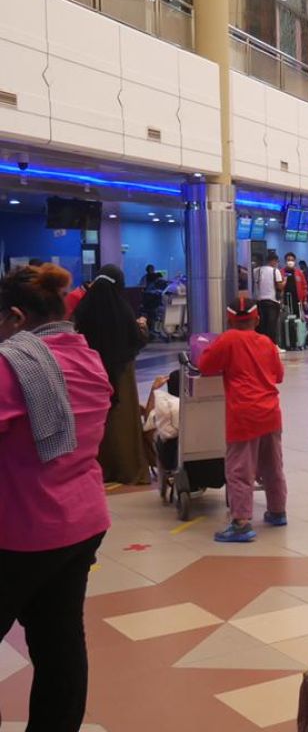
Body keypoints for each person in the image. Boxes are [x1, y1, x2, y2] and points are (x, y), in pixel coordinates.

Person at [0, 265, 112, 732]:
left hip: (23, 531)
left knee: (58, 640)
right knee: (60, 643)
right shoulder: (87, 356)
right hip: (81, 524)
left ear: (14, 317)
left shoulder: (12, 365)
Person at [197, 298, 287, 543]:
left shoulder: (228, 340)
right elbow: (278, 376)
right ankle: (277, 511)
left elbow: (205, 366)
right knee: (272, 466)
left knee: (239, 470)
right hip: (270, 412)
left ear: (229, 320)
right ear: (257, 319)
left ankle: (240, 523)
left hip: (243, 414)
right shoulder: (267, 342)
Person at [74, 265, 151, 485]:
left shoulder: (85, 308)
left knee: (97, 420)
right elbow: (136, 339)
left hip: (91, 372)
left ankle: (99, 467)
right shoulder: (123, 309)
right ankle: (126, 467)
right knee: (122, 420)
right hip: (121, 372)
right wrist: (142, 327)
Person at [251, 252, 284, 344]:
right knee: (272, 325)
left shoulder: (256, 270)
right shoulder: (275, 271)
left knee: (261, 325)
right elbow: (279, 286)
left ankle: (260, 344)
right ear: (273, 261)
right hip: (272, 301)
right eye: (276, 261)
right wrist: (284, 282)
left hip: (259, 301)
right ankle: (272, 345)